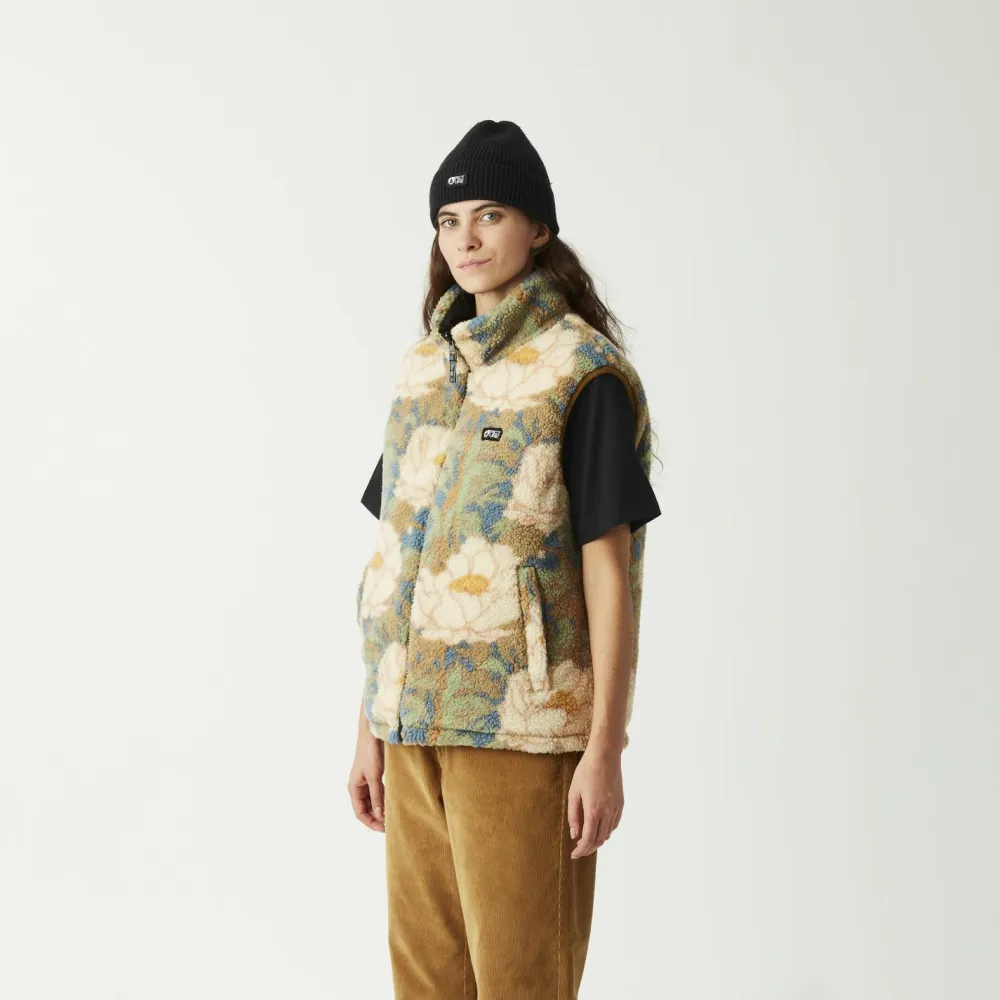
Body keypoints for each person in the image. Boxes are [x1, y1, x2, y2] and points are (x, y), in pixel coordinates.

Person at [347, 119, 661, 999]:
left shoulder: (581, 373)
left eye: (490, 215)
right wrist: (370, 726)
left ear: (538, 229)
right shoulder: (422, 374)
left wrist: (605, 749)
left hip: (523, 729)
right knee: (426, 986)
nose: (468, 239)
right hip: (412, 730)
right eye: (449, 222)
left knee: (522, 984)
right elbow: (396, 562)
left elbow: (609, 574)